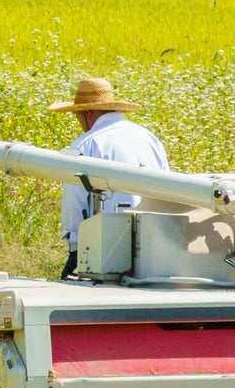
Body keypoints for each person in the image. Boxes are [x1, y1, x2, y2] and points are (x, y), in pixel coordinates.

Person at [49, 77, 168, 279]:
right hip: (155, 240)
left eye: (78, 117)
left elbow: (74, 202)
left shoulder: (84, 145)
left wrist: (76, 246)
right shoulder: (149, 138)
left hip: (108, 244)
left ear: (88, 113)